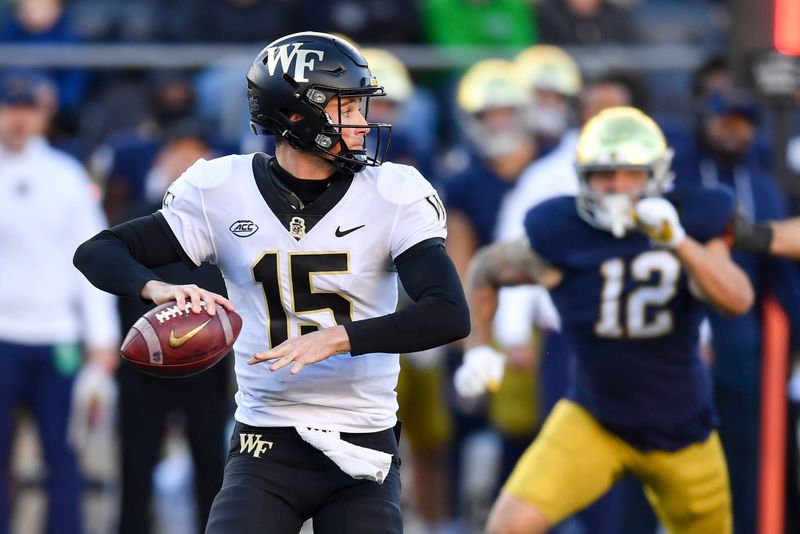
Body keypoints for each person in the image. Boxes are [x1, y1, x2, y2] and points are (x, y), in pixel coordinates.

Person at [73, 31, 470, 534]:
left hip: (362, 444)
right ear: (297, 115)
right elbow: (98, 251)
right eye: (347, 106)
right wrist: (157, 289)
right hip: (264, 443)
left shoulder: (393, 193)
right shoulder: (222, 188)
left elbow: (448, 312)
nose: (363, 122)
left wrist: (340, 338)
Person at [454, 106, 754, 534]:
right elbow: (486, 268)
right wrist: (479, 348)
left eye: (631, 175)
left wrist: (679, 243)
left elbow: (737, 298)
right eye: (604, 176)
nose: (617, 188)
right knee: (508, 526)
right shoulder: (563, 229)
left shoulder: (693, 217)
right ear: (582, 178)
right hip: (595, 420)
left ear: (658, 174)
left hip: (683, 429)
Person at [0, 69, 119, 534]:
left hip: (58, 341)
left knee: (63, 455)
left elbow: (92, 261)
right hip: (2, 337)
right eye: (10, 108)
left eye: (28, 110)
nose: (18, 120)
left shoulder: (65, 176)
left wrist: (102, 337)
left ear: (44, 115)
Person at [113, 122, 232, 534]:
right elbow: (112, 285)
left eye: (197, 154)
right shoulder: (137, 221)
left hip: (208, 363)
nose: (187, 164)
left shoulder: (230, 225)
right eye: (179, 153)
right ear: (160, 161)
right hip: (142, 361)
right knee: (136, 462)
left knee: (211, 465)